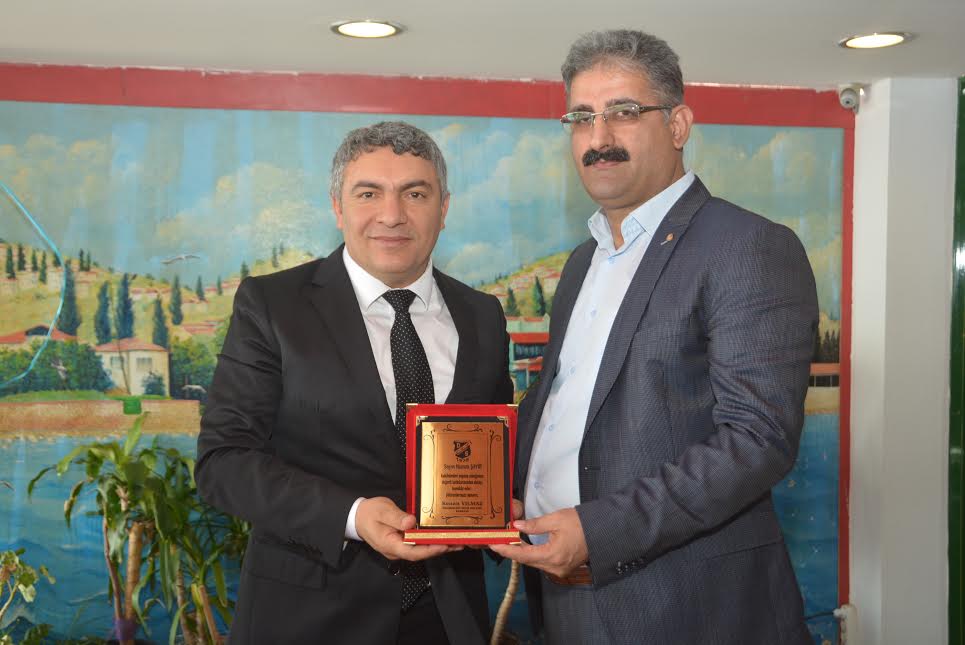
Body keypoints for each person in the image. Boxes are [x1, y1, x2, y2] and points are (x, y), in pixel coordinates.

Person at [490, 30, 819, 644]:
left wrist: (598, 531)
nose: (599, 139)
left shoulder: (746, 246)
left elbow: (757, 440)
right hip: (563, 599)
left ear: (678, 124)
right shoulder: (583, 263)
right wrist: (489, 491)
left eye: (623, 112)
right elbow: (563, 407)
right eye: (581, 118)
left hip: (686, 608)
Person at [196, 121, 514, 645]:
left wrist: (509, 499)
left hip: (450, 618)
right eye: (369, 193)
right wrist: (354, 515)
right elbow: (223, 461)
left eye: (415, 193)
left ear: (444, 208)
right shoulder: (272, 306)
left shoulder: (483, 316)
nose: (392, 214)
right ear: (338, 208)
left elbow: (490, 448)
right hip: (307, 620)